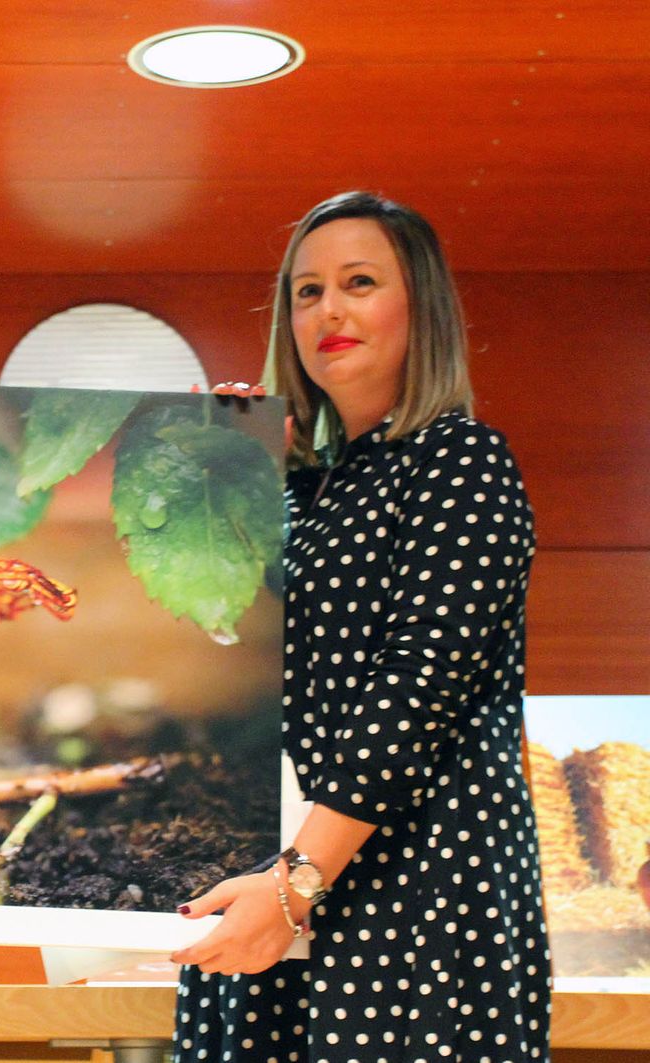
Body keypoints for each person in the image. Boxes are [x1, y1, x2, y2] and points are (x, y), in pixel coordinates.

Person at [170, 191, 551, 1061]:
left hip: (413, 890)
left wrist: (296, 883)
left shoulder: (462, 461)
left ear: (422, 307)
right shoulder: (300, 491)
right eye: (307, 291)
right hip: (276, 879)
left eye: (360, 282)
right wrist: (228, 476)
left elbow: (421, 686)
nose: (328, 310)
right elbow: (227, 654)